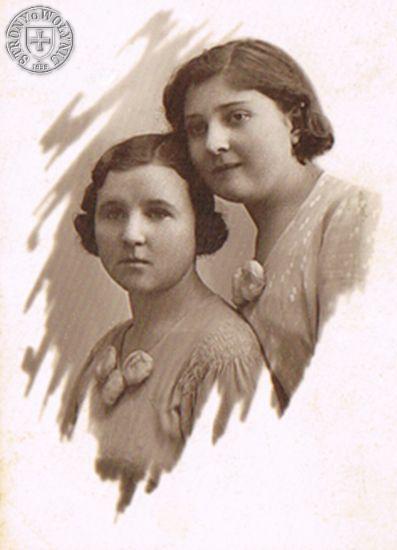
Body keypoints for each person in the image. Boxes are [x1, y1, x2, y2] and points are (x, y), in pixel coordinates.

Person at [163, 39, 380, 411]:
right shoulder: (265, 239)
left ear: (292, 120)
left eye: (236, 117)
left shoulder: (351, 217)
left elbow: (362, 398)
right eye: (197, 129)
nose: (213, 143)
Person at [61, 133, 264, 512]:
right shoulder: (109, 346)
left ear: (198, 226)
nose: (131, 235)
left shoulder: (225, 353)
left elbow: (238, 513)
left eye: (157, 213)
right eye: (113, 213)